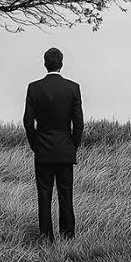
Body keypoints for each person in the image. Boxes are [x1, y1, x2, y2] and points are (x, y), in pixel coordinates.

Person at [23, 47, 84, 243]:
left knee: (44, 194)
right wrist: (73, 145)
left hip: (43, 150)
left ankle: (46, 237)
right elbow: (79, 123)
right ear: (62, 63)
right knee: (66, 194)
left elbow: (27, 121)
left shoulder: (34, 88)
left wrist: (35, 144)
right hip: (65, 149)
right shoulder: (73, 88)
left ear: (44, 63)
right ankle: (67, 236)